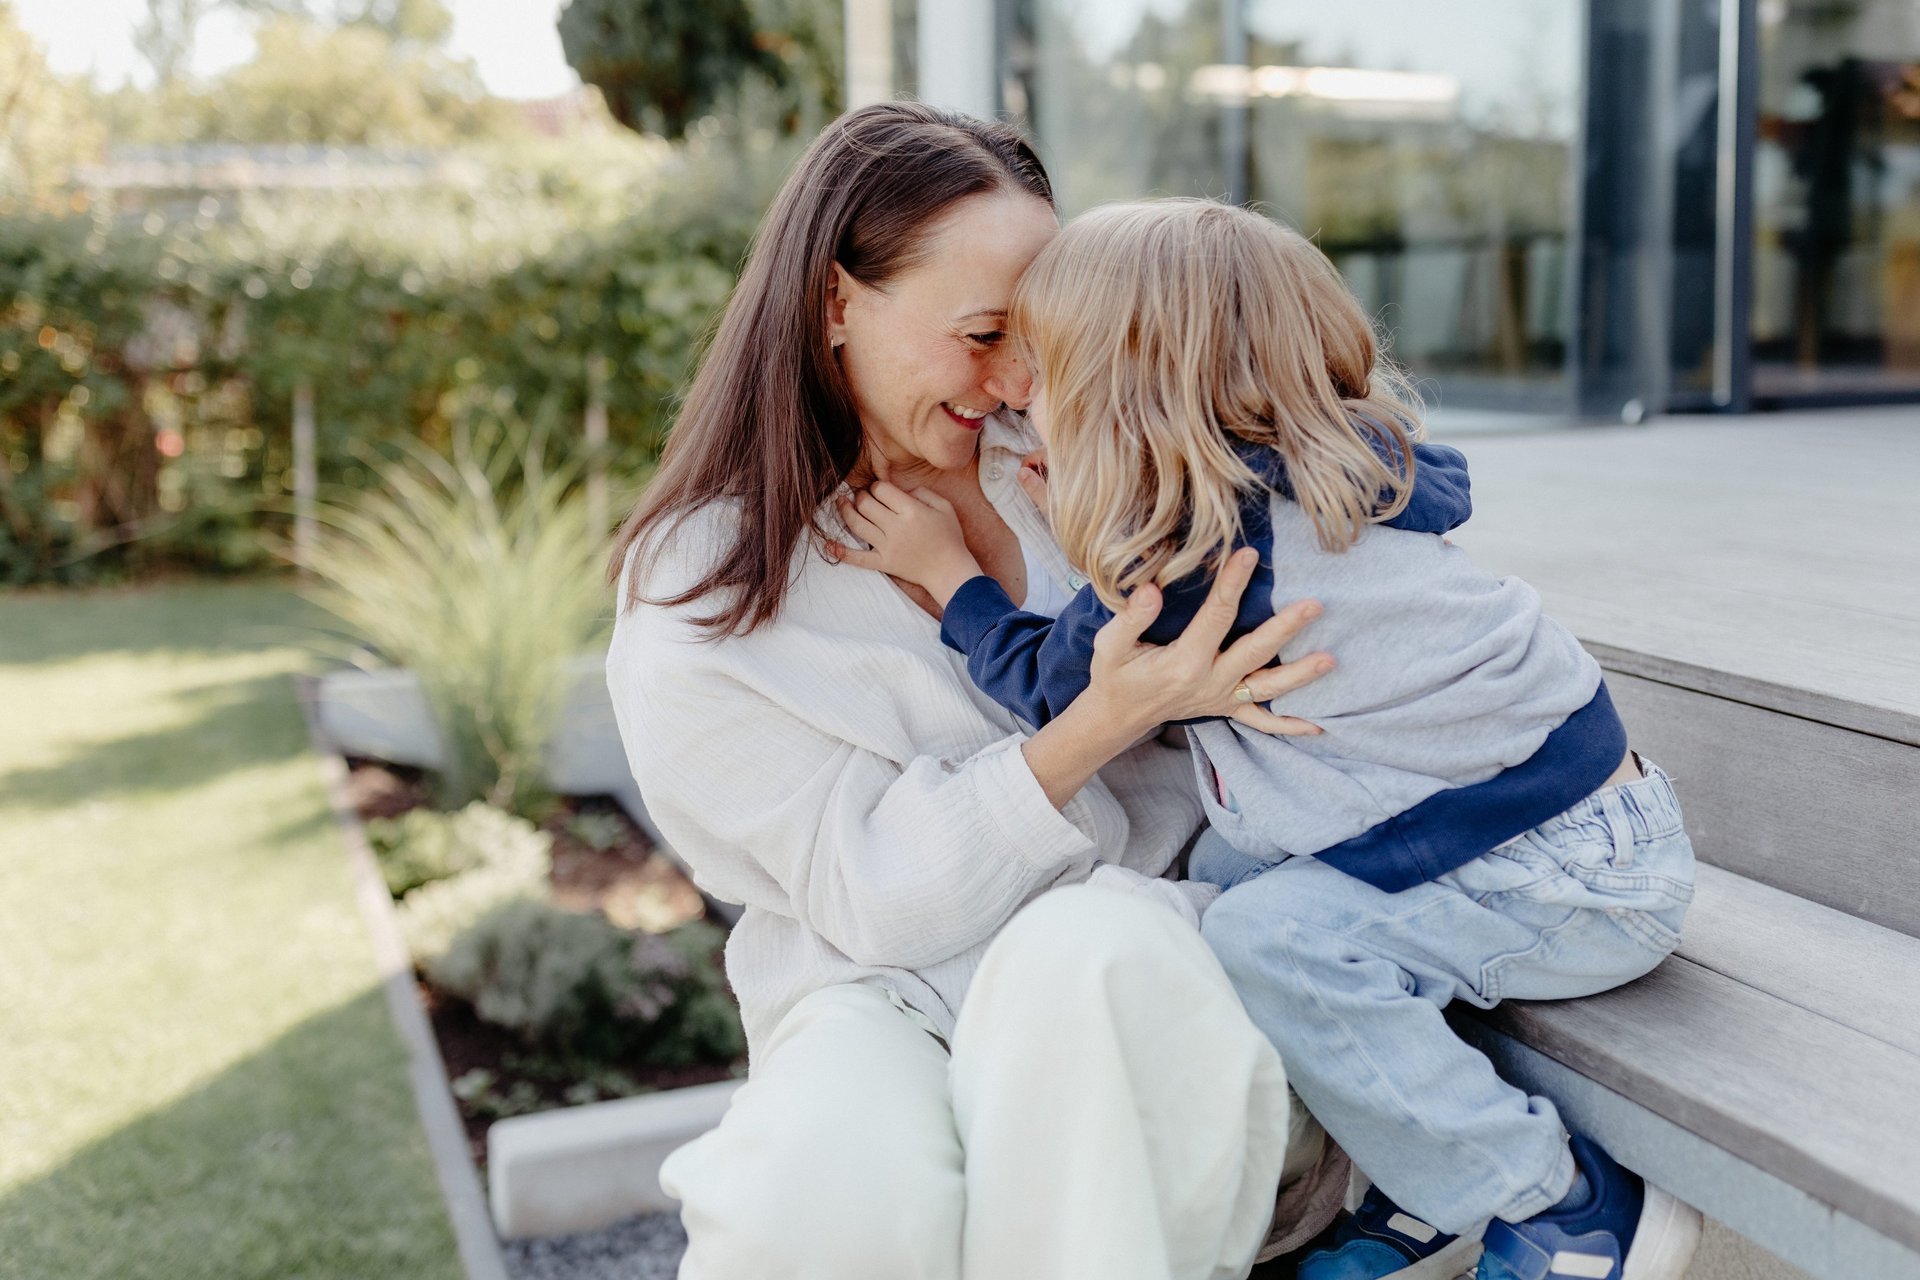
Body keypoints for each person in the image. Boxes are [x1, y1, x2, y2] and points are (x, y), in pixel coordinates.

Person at [835, 198, 1703, 1280]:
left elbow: (1050, 690)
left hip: (1559, 873)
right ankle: (1417, 1170)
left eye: (1042, 375)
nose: (1014, 397)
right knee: (1221, 865)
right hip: (1592, 819)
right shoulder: (1327, 469)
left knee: (1268, 940)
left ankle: (1558, 1205)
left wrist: (950, 574)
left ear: (1122, 399)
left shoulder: (1200, 559)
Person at [604, 105, 1354, 1280]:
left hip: (1143, 948)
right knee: (817, 1192)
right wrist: (1107, 717)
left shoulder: (1084, 465)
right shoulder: (704, 594)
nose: (1016, 382)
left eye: (1041, 338)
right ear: (835, 303)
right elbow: (877, 895)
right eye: (985, 333)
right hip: (887, 989)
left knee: (1079, 960)